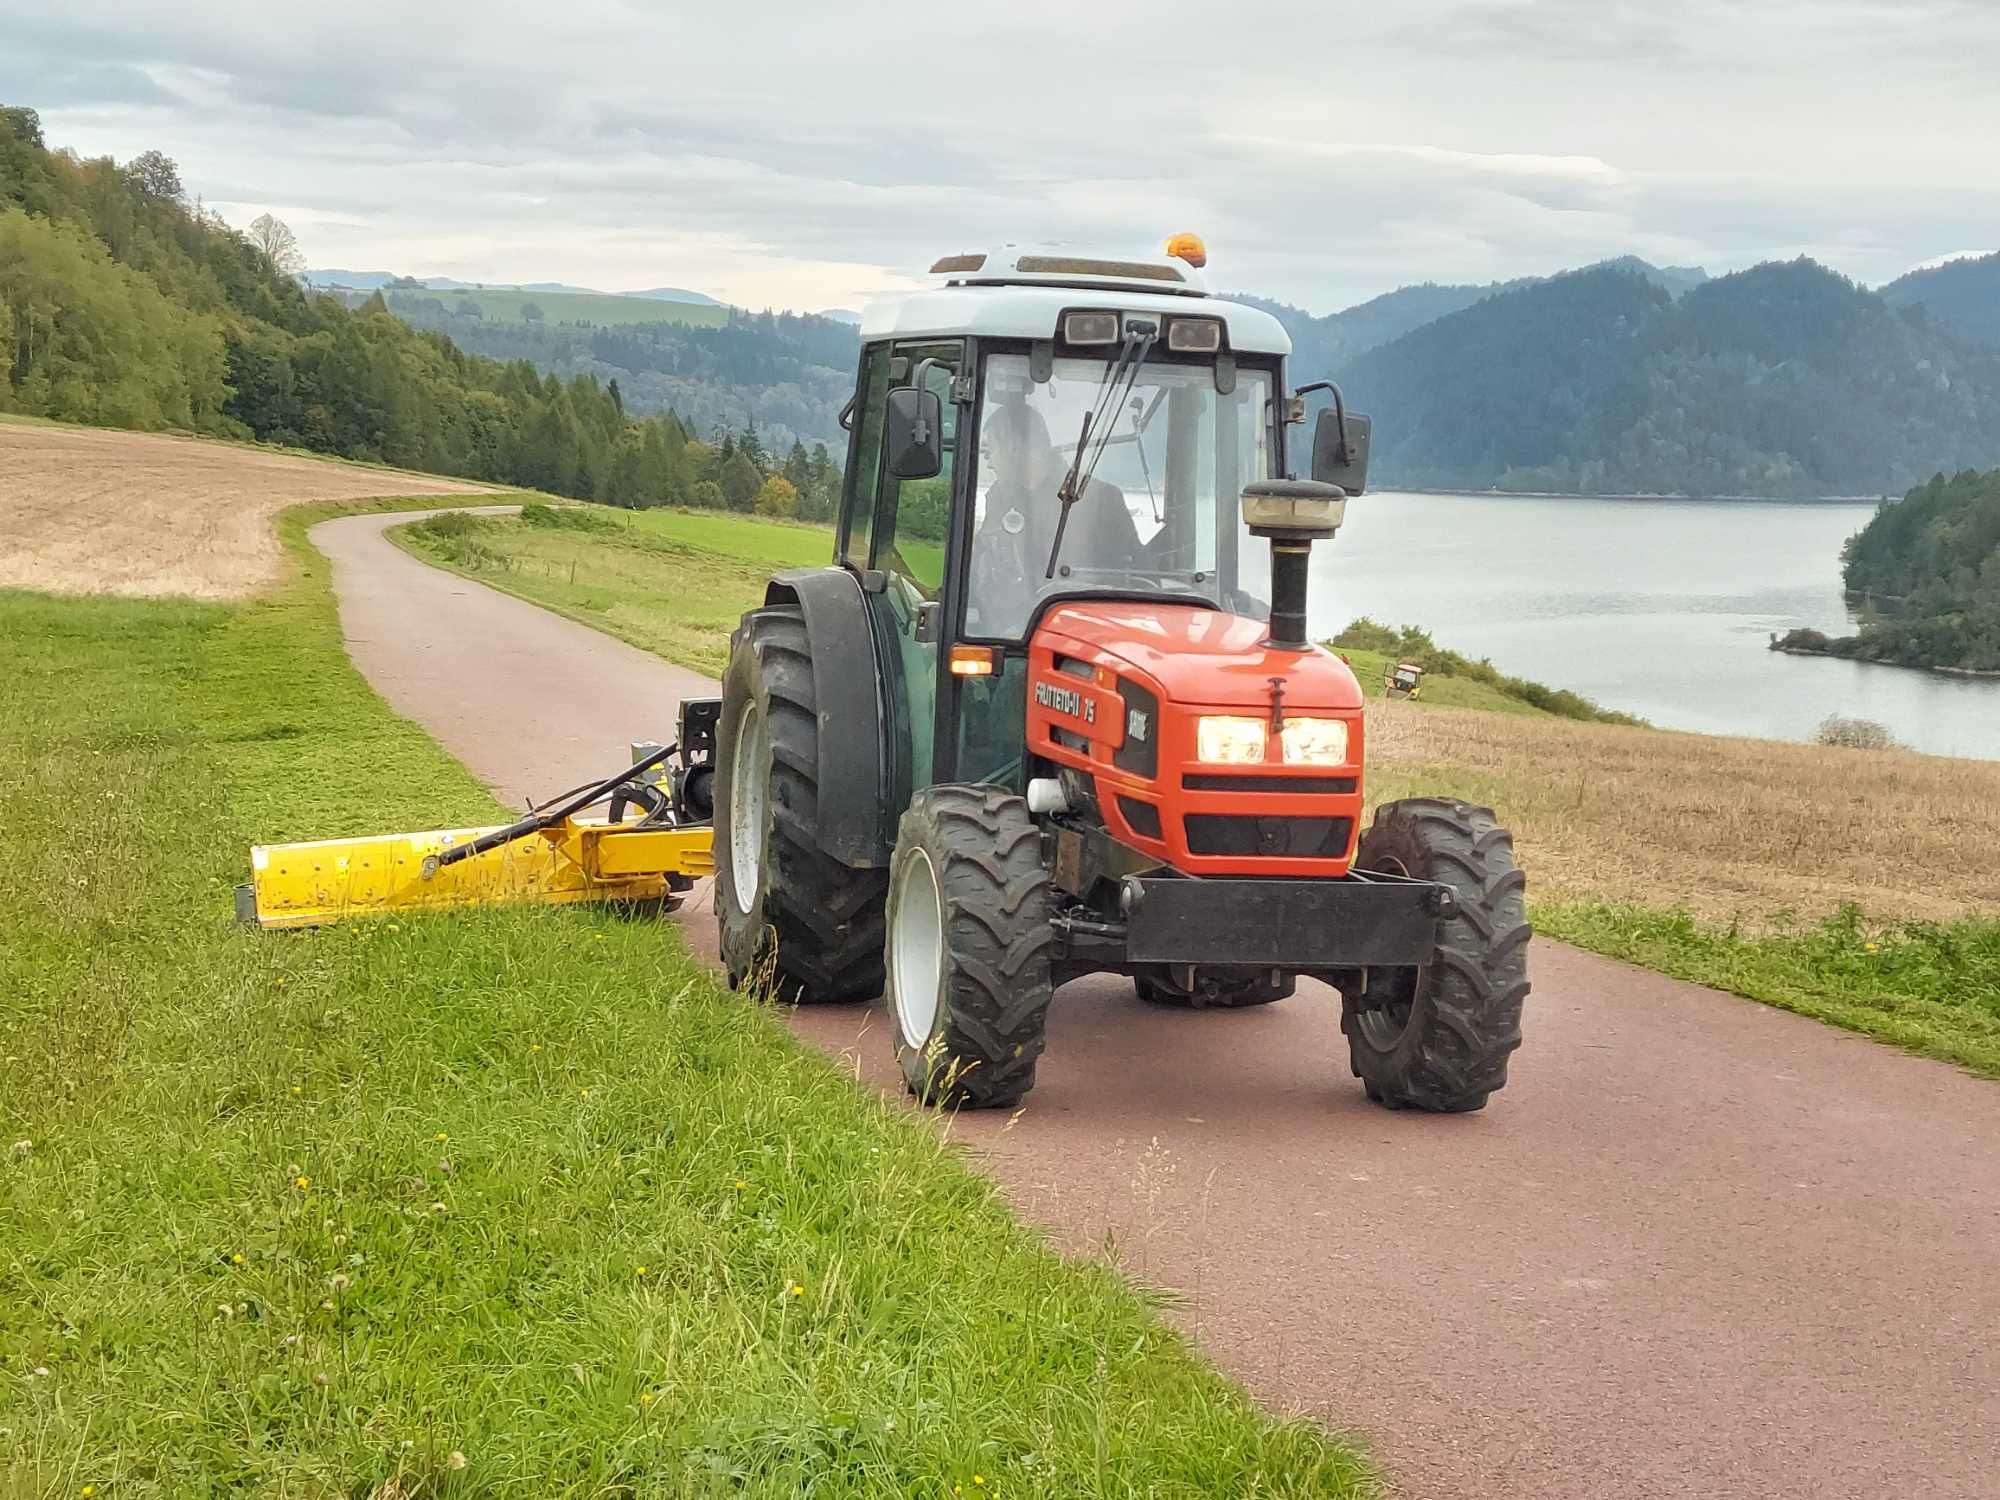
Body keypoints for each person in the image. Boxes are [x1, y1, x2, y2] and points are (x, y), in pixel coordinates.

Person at [969, 398, 1142, 636]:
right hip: (1012, 638)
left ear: (1015, 447)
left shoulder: (1103, 499)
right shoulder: (999, 497)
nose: (988, 462)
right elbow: (981, 558)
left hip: (1084, 634)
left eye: (990, 451)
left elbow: (1136, 575)